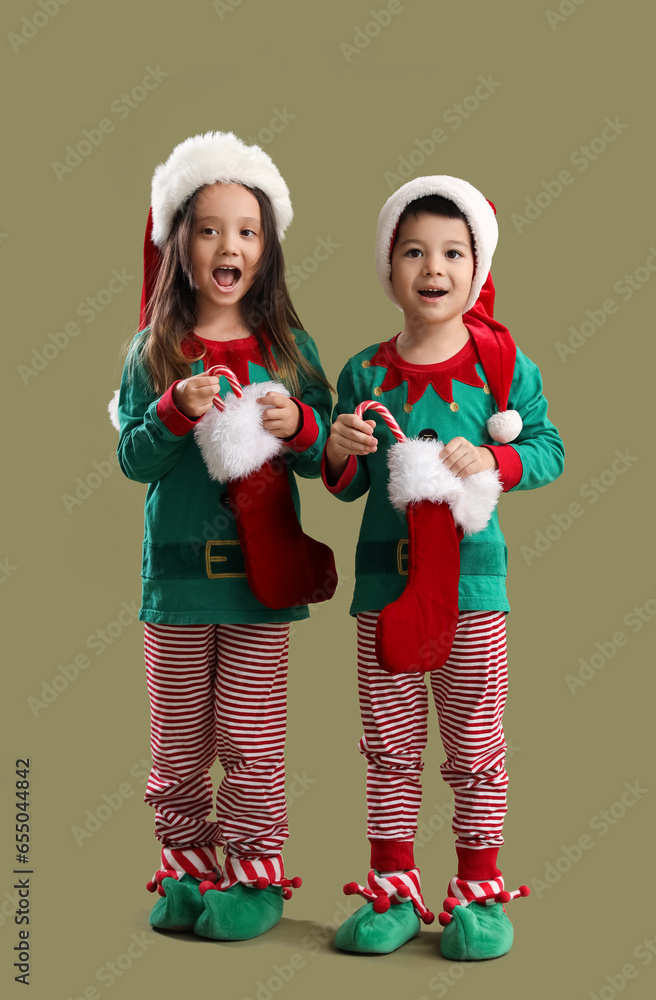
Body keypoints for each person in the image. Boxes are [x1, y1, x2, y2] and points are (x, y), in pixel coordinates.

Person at [322, 175, 564, 960]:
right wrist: (336, 450)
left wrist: (494, 456)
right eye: (414, 251)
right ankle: (392, 891)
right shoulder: (362, 372)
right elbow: (349, 482)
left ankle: (477, 893)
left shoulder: (502, 366)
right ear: (389, 268)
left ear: (476, 266)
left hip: (473, 592)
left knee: (475, 744)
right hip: (383, 590)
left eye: (452, 252)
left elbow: (548, 449)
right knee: (387, 747)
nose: (433, 267)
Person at [113, 131, 333, 941]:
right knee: (176, 742)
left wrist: (300, 422)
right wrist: (175, 408)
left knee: (249, 740)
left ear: (267, 248)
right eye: (208, 229)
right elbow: (133, 459)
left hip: (256, 586)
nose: (228, 245)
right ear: (180, 242)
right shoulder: (154, 351)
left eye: (246, 229)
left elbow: (327, 459)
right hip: (173, 588)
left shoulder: (288, 350)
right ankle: (184, 869)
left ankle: (252, 878)